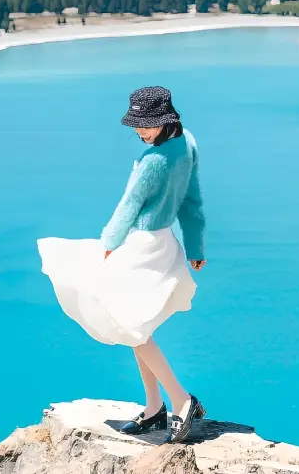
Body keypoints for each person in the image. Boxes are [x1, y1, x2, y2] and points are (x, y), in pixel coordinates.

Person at [38, 86, 206, 443]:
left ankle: (181, 400)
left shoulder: (152, 161)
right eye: (137, 126)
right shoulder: (187, 144)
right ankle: (153, 407)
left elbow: (128, 206)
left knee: (129, 324)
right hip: (165, 245)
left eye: (144, 125)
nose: (139, 132)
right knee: (134, 323)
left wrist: (109, 245)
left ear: (163, 120)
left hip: (141, 247)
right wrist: (195, 246)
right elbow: (192, 200)